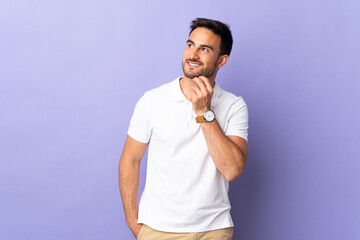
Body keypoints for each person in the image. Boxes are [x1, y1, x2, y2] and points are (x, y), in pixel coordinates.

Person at [119, 17, 248, 240]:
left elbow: (232, 169)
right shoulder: (153, 100)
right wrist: (133, 221)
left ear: (221, 61)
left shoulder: (234, 106)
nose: (193, 55)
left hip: (213, 230)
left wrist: (204, 113)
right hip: (158, 230)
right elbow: (130, 160)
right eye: (190, 45)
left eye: (204, 49)